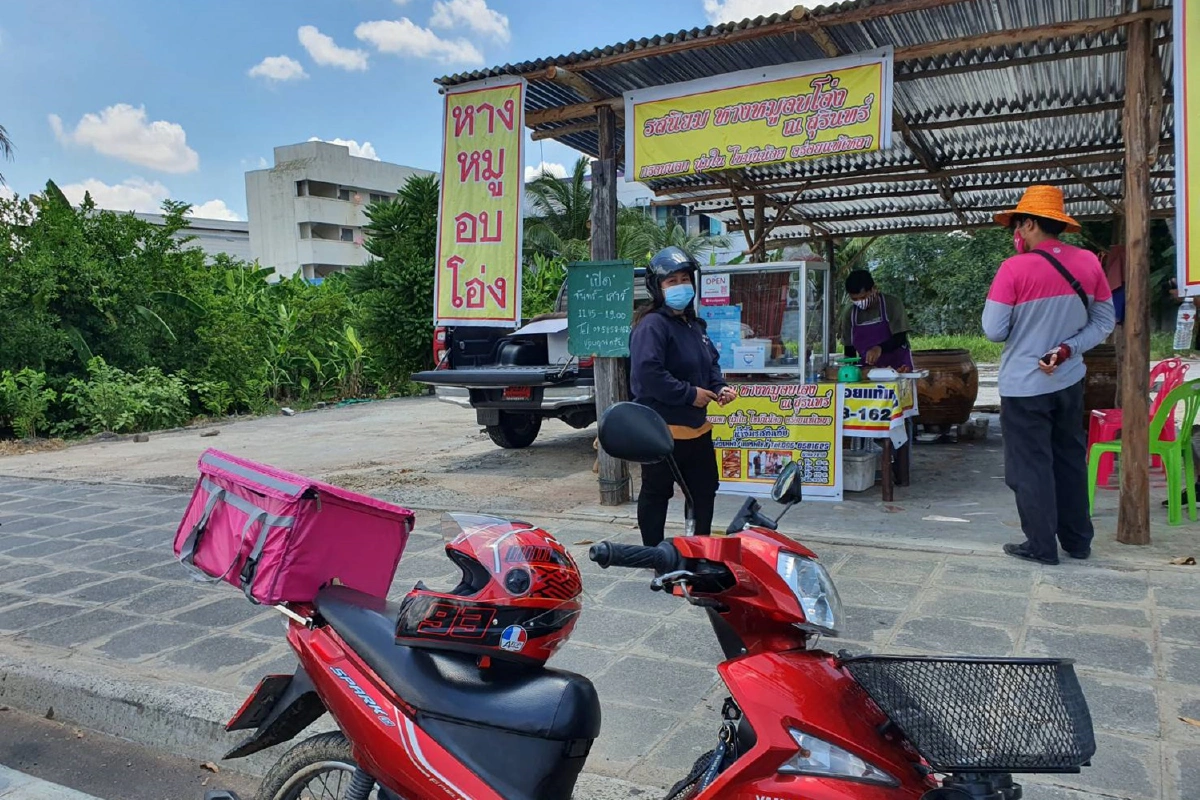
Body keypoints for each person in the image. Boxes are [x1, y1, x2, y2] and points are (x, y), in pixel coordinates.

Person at [984, 185, 1115, 565]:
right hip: (1069, 379)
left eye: (1018, 225)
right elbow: (1104, 321)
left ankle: (1041, 546)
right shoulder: (1089, 262)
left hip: (1024, 386)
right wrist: (1067, 348)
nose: (1017, 233)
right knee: (1070, 458)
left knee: (1030, 465)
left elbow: (994, 330)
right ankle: (1077, 541)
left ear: (1028, 224)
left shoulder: (1013, 269)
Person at [630, 246, 735, 546]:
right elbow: (649, 374)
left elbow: (709, 364)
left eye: (684, 279)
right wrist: (689, 394)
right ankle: (654, 555)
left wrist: (718, 388)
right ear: (657, 288)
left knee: (703, 491)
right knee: (656, 493)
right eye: (671, 281)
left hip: (697, 430)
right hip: (661, 430)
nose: (680, 286)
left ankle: (699, 550)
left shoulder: (694, 325)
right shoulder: (652, 325)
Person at [839, 270, 914, 370]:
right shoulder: (849, 312)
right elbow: (849, 348)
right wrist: (852, 370)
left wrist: (879, 348)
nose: (859, 302)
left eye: (863, 297)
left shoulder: (892, 304)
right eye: (854, 299)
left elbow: (900, 337)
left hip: (898, 368)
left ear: (873, 289)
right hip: (867, 371)